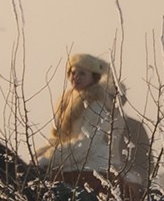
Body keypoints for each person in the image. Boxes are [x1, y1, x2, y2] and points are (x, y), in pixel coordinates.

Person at [32, 53, 123, 182]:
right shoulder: (65, 102)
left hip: (91, 165)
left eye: (82, 74)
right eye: (73, 73)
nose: (75, 77)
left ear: (93, 77)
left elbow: (87, 143)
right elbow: (57, 138)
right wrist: (38, 156)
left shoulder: (96, 105)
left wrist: (51, 158)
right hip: (68, 161)